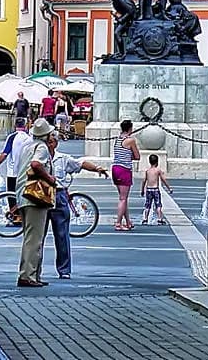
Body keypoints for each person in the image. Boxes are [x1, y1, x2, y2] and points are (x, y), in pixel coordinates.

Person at [46, 130, 107, 278]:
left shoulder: (63, 158)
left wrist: (97, 168)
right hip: (42, 195)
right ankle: (34, 270)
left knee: (62, 235)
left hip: (59, 195)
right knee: (37, 237)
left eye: (51, 141)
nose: (49, 144)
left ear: (56, 143)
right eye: (46, 141)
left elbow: (80, 163)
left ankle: (64, 270)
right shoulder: (38, 158)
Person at [16, 119, 57, 288]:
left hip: (23, 194)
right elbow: (36, 164)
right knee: (34, 239)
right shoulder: (41, 148)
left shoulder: (27, 146)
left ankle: (33, 273)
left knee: (30, 236)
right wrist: (50, 179)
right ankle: (27, 275)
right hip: (35, 196)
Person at [0, 118, 31, 218]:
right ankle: (23, 214)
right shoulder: (29, 138)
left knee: (11, 194)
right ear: (25, 126)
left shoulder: (12, 137)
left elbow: (5, 153)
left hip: (12, 172)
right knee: (23, 194)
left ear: (14, 125)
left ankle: (15, 215)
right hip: (25, 171)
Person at [111, 119, 140, 231]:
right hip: (124, 169)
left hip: (115, 168)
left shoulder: (118, 139)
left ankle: (128, 221)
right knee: (123, 198)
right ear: (130, 128)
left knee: (124, 198)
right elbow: (137, 156)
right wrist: (129, 156)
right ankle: (118, 223)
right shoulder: (130, 140)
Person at [141, 153, 171, 226]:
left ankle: (145, 219)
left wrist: (142, 190)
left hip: (148, 189)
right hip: (155, 189)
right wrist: (169, 188)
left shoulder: (147, 171)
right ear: (157, 162)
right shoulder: (158, 170)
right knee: (158, 205)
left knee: (147, 205)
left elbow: (144, 180)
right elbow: (163, 179)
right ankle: (160, 219)